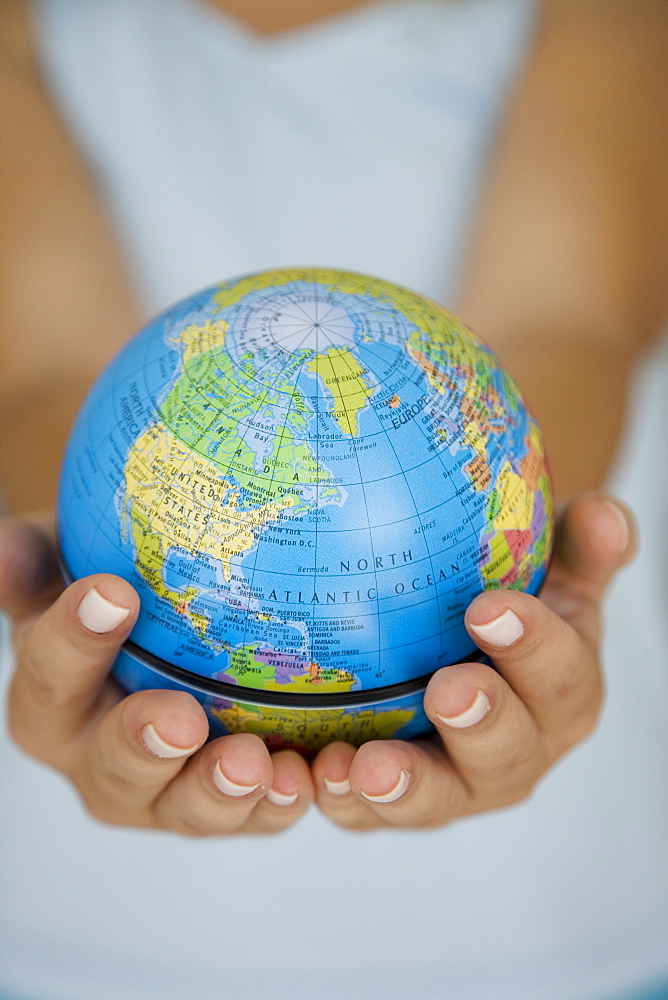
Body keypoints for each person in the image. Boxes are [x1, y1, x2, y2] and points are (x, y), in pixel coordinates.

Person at [0, 0, 666, 997]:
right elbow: (48, 372)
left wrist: (509, 547)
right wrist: (92, 551)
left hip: (557, 933)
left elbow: (560, 324)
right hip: (61, 932)